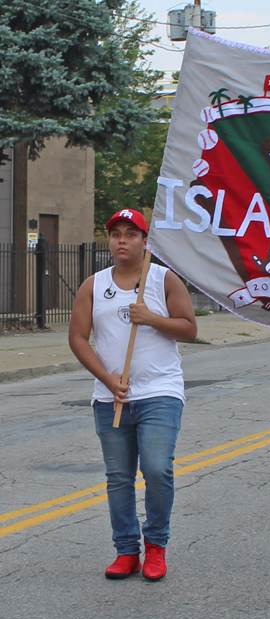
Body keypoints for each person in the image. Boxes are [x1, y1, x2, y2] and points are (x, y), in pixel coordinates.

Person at [69, 209, 197, 581]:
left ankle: (156, 545)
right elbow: (78, 337)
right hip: (112, 397)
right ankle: (126, 550)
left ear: (145, 240)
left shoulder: (163, 279)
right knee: (118, 477)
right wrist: (107, 379)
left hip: (159, 391)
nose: (121, 240)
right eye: (115, 234)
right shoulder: (94, 284)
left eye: (130, 233)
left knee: (157, 469)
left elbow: (189, 329)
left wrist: (151, 318)